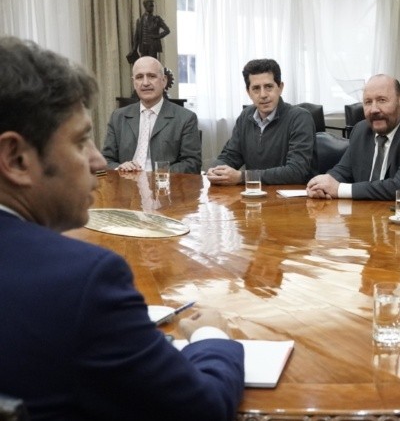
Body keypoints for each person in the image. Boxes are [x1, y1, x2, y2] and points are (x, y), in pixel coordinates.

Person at [0, 36, 244, 419]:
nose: (98, 160)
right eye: (81, 141)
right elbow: (203, 409)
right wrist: (212, 335)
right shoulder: (83, 280)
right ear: (16, 159)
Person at [306, 74, 400, 208]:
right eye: (368, 102)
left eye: (382, 100)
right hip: (372, 214)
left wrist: (338, 189)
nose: (373, 109)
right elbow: (343, 170)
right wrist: (321, 185)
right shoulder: (361, 130)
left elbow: (399, 187)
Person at [208, 58, 316, 186]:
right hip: (254, 193)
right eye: (256, 88)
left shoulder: (300, 118)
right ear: (248, 92)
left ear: (280, 87)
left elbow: (296, 171)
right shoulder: (246, 116)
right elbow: (230, 156)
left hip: (294, 195)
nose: (263, 95)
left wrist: (242, 177)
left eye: (269, 87)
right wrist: (215, 169)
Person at [102, 56, 202, 173]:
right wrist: (120, 168)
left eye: (151, 76)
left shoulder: (185, 118)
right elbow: (106, 160)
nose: (145, 83)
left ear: (164, 81)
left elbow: (192, 164)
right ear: (134, 83)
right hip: (126, 181)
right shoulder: (118, 116)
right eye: (139, 77)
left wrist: (156, 175)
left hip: (164, 182)